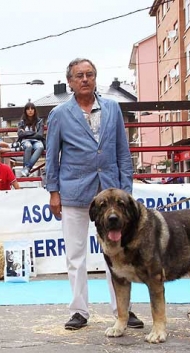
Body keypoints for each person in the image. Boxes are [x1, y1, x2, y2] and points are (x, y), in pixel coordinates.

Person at [45, 57, 144, 331]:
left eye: (89, 74)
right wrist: (53, 191)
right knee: (76, 254)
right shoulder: (59, 114)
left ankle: (122, 310)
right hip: (74, 191)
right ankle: (79, 311)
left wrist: (126, 191)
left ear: (96, 77)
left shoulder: (112, 108)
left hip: (111, 193)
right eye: (79, 75)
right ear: (70, 82)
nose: (85, 79)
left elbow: (123, 152)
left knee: (117, 255)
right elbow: (52, 156)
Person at [16, 102, 45, 177]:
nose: (30, 110)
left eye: (32, 108)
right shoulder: (22, 122)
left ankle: (27, 168)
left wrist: (26, 133)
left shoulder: (39, 121)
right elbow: (20, 134)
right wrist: (33, 133)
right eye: (28, 109)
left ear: (35, 110)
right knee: (28, 146)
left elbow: (40, 134)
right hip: (25, 141)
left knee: (40, 147)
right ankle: (26, 168)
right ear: (25, 111)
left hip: (37, 141)